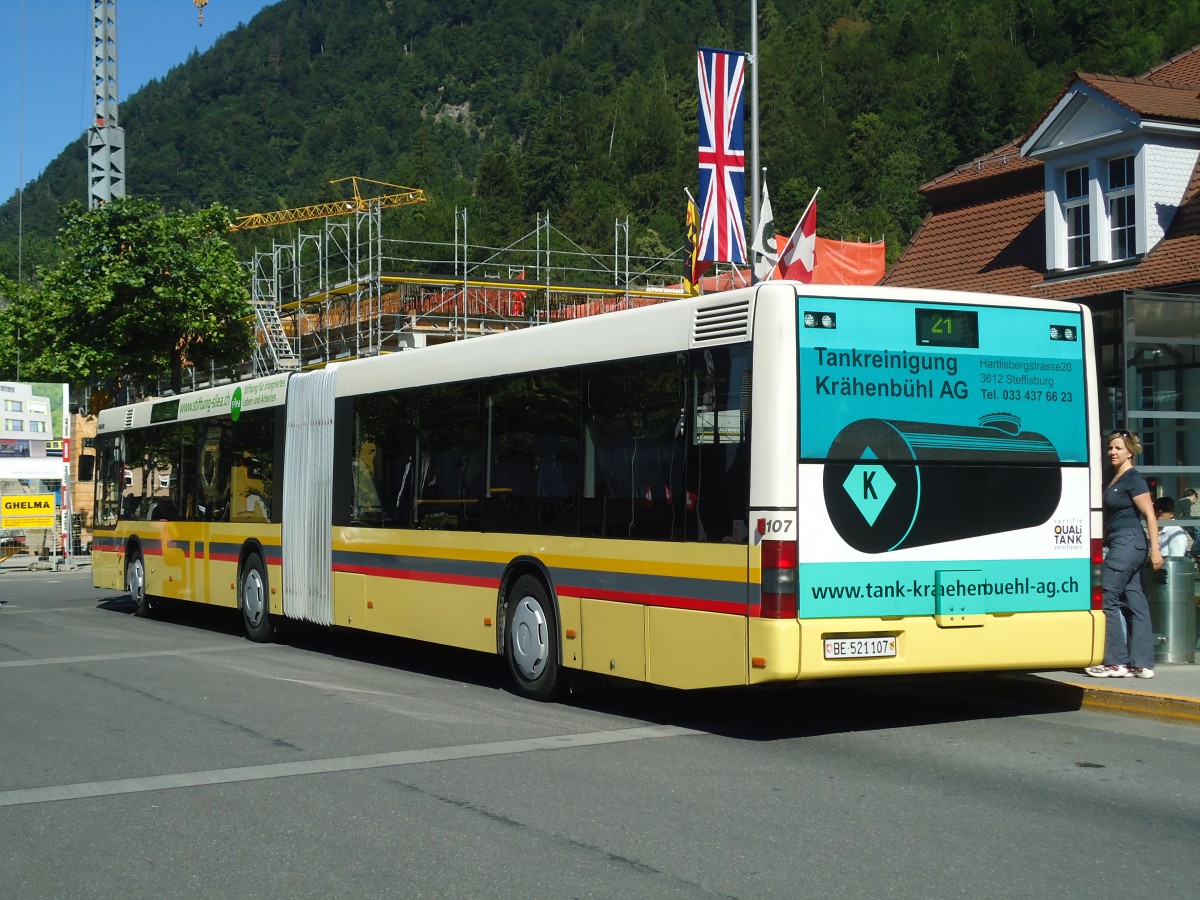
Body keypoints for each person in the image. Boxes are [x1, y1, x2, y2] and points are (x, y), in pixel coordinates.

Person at [1086, 429, 1162, 679]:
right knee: (1135, 601)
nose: (1112, 452)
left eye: (1118, 448)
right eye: (1110, 448)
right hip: (1122, 542)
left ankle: (1115, 662)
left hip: (1128, 542)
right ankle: (1142, 665)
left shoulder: (1133, 479)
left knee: (1106, 594)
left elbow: (1150, 515)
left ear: (1130, 451)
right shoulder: (1113, 476)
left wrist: (1155, 551)